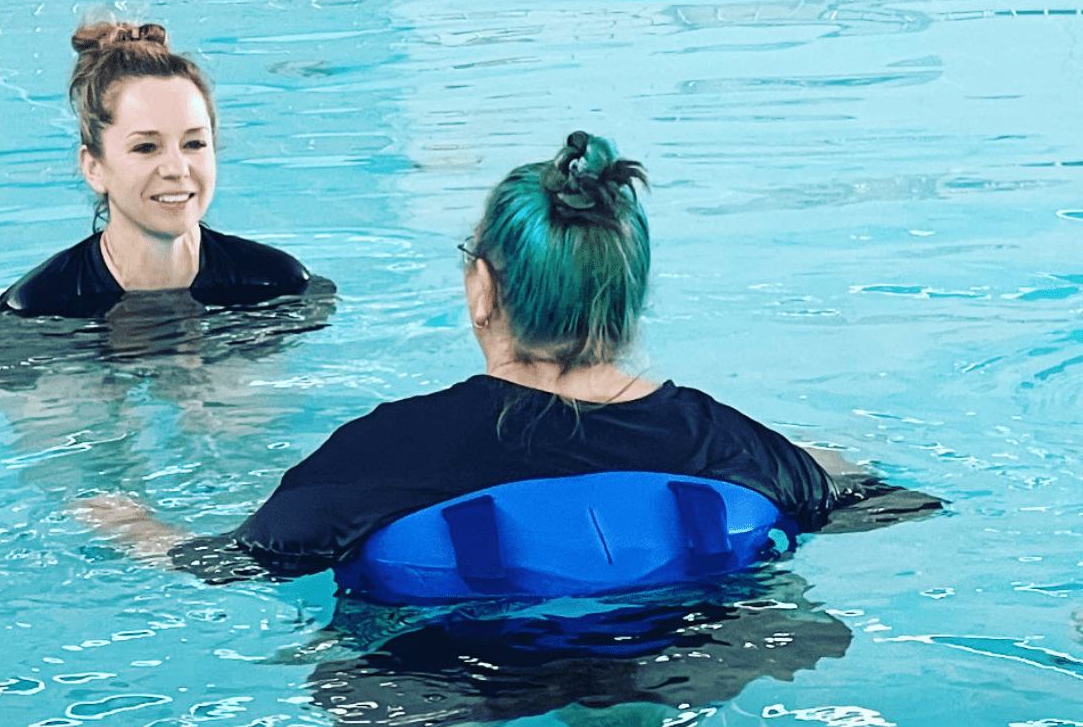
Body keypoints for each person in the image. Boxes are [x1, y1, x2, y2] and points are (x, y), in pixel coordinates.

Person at [84, 131, 933, 582]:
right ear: (628, 296)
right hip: (686, 650)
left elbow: (230, 564)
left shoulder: (383, 453)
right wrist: (813, 459)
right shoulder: (726, 442)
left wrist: (134, 525)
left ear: (481, 290)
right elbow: (878, 503)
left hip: (445, 677)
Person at [0, 20, 313, 318]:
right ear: (94, 168)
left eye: (194, 144)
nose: (176, 168)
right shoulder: (36, 309)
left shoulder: (280, 289)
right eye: (146, 147)